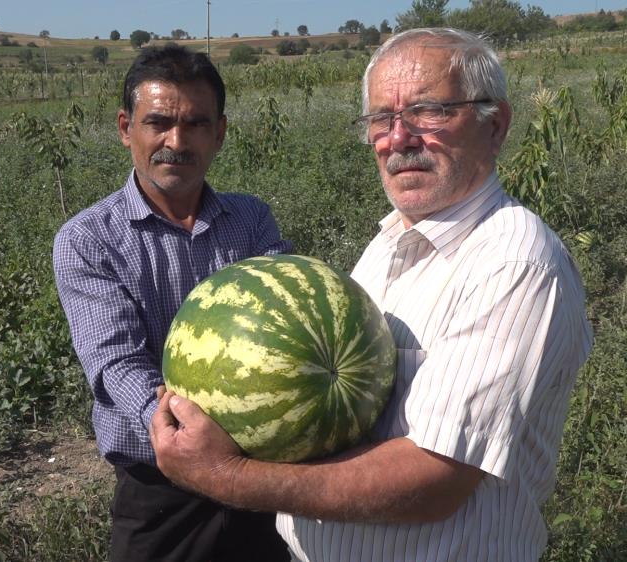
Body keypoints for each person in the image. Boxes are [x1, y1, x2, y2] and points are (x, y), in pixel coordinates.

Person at [149, 28, 594, 562]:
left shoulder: (513, 264)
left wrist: (226, 475)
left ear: (494, 125)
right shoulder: (390, 242)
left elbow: (434, 478)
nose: (398, 137)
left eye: (429, 112)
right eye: (381, 119)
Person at [52, 45, 292, 562]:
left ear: (220, 133)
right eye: (158, 123)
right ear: (125, 128)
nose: (176, 142)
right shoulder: (89, 239)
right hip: (160, 490)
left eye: (196, 124)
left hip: (259, 471)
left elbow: (287, 318)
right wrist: (185, 435)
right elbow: (116, 361)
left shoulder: (251, 221)